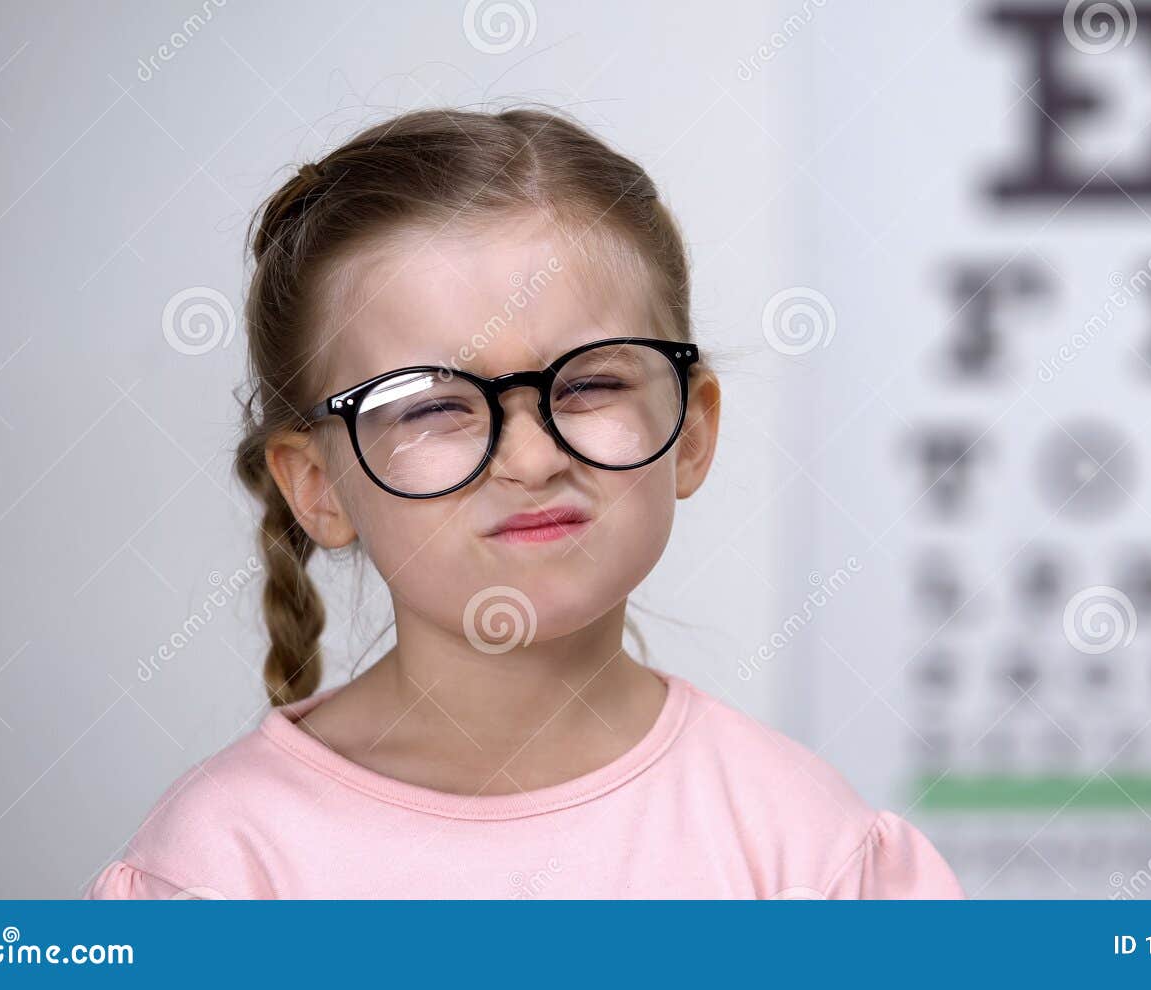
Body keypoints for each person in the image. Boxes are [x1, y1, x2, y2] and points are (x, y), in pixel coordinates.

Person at [86, 106, 961, 899]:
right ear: (318, 486)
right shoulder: (217, 872)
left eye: (588, 385)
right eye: (431, 406)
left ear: (691, 430)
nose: (532, 459)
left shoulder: (811, 853)